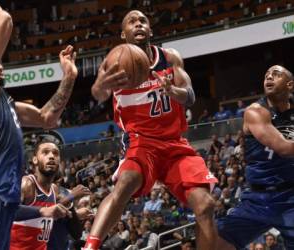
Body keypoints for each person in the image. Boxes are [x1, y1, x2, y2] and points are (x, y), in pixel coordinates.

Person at [84, 10, 218, 250]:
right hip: (140, 141)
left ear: (150, 30)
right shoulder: (115, 63)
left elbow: (190, 96)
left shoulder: (170, 58)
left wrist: (172, 91)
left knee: (206, 205)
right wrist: (100, 85)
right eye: (132, 22)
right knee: (125, 183)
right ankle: (90, 246)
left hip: (174, 143)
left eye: (142, 21)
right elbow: (98, 94)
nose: (138, 25)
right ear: (123, 33)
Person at [0, 3, 78, 249]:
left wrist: (69, 77)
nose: (0, 64)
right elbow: (4, 20)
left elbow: (46, 118)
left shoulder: (6, 103)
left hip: (3, 197)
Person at [216, 65, 294, 250]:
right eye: (267, 74)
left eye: (276, 74)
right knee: (216, 241)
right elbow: (283, 148)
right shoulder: (256, 111)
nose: (269, 77)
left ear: (290, 84)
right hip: (259, 198)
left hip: (291, 196)